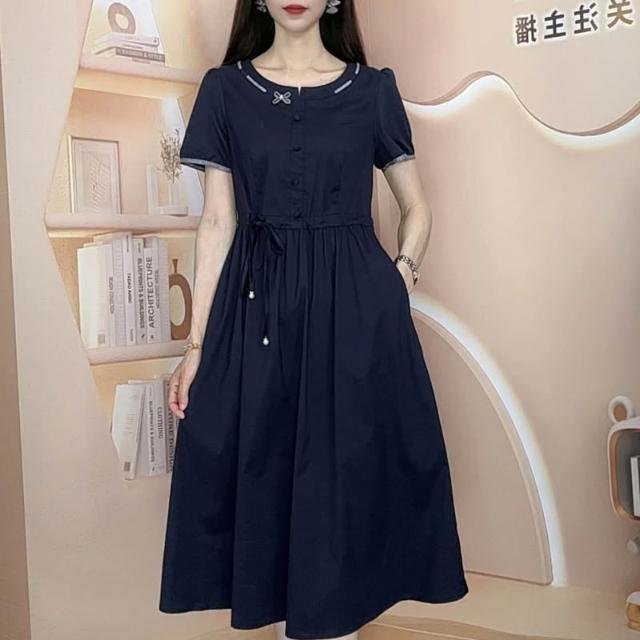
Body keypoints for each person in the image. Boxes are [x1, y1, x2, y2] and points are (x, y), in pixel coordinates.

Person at [158, 1, 469, 638]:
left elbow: (417, 207)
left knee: (343, 490)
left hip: (354, 316)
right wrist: (195, 348)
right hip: (256, 313)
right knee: (263, 477)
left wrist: (396, 281)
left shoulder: (373, 90)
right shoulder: (224, 91)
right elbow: (217, 221)